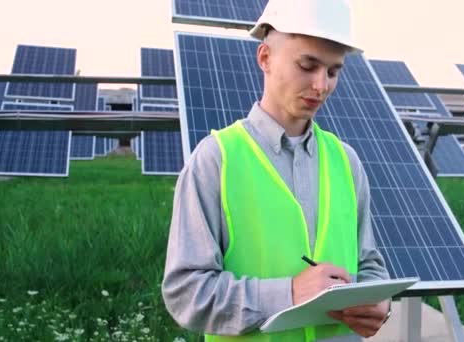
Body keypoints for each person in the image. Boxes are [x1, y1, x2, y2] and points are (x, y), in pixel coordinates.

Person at [162, 0, 391, 340]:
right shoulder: (216, 160)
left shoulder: (347, 161)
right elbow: (186, 293)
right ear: (265, 58)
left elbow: (368, 263)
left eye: (333, 71)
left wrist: (377, 301)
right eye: (307, 65)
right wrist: (288, 294)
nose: (321, 85)